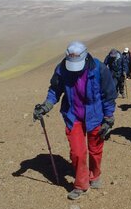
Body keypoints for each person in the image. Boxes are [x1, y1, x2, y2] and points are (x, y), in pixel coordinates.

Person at [33, 41, 117, 200]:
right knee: (77, 152)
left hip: (96, 116)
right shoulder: (61, 69)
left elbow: (109, 95)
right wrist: (46, 106)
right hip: (73, 115)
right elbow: (55, 90)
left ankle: (95, 175)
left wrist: (108, 117)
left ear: (85, 58)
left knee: (95, 150)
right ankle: (80, 184)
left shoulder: (99, 69)